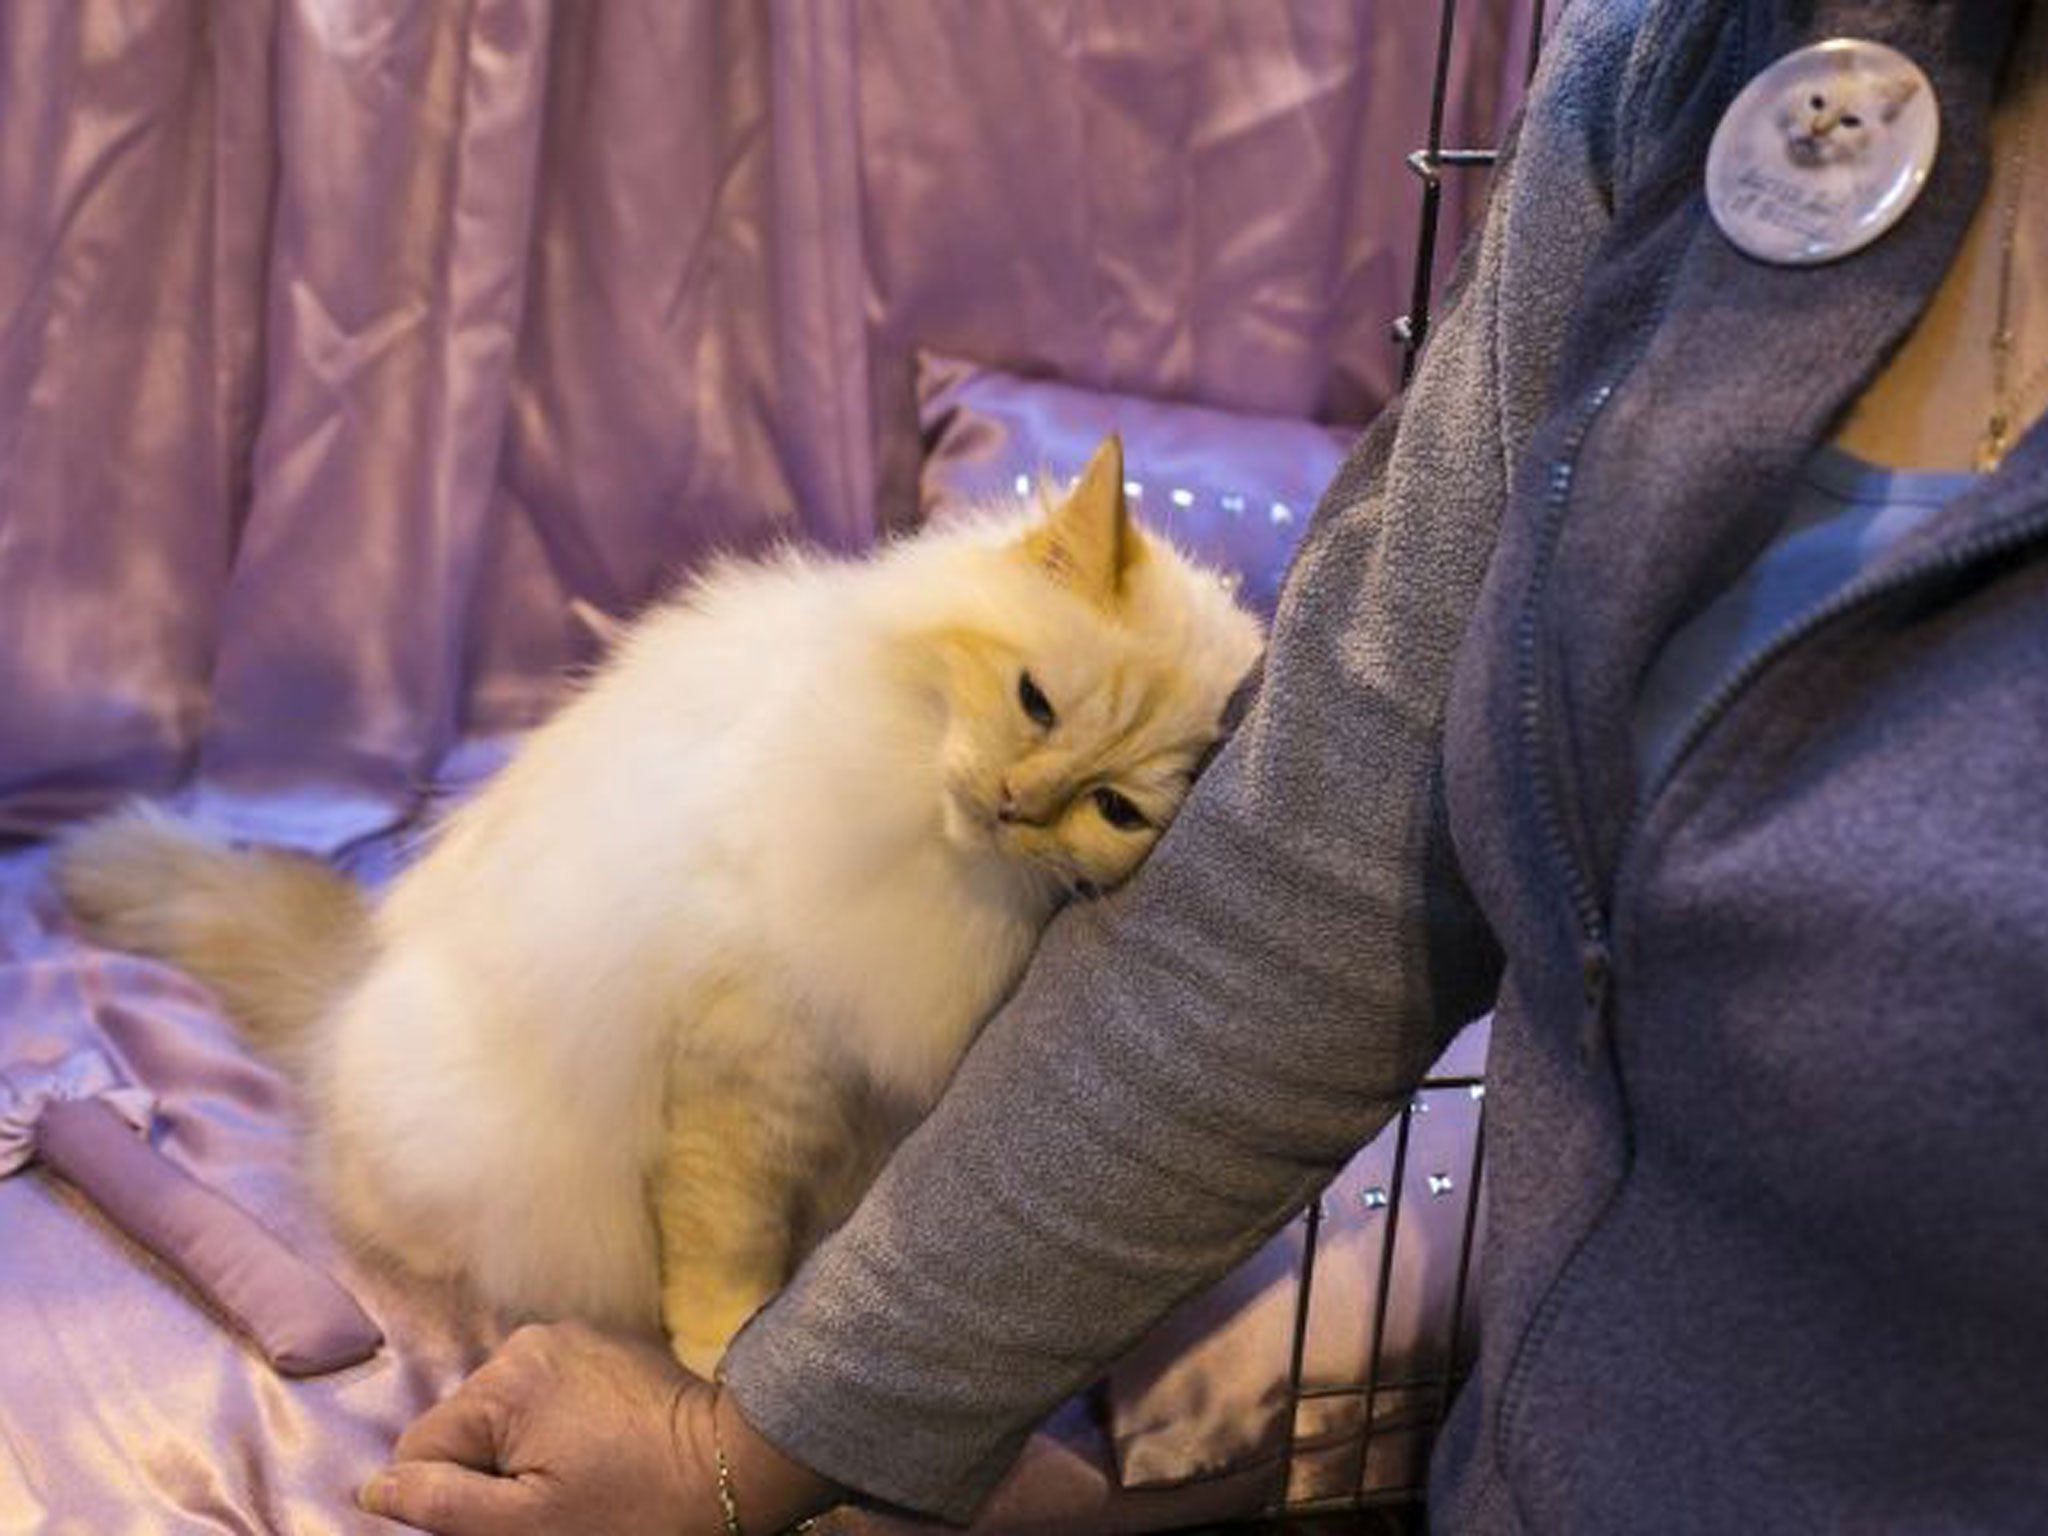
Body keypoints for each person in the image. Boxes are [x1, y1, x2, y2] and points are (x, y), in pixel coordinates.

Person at [357, 0, 2048, 1530]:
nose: (1026, 798)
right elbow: (1303, 884)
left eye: (1095, 794)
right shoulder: (1687, 61)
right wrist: (763, 1439)